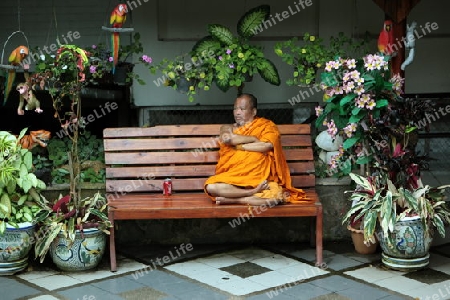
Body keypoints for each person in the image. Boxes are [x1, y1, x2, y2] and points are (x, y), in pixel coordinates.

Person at [204, 93, 309, 205]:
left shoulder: (266, 126)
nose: (237, 112)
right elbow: (228, 139)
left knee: (277, 196)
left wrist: (240, 146)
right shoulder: (228, 127)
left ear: (254, 112)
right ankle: (251, 193)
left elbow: (267, 145)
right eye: (235, 109)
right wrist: (253, 139)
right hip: (233, 179)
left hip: (260, 180)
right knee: (211, 187)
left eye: (242, 109)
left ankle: (236, 199)